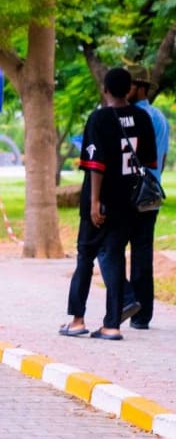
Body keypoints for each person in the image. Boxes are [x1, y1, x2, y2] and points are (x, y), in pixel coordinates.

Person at [62, 67, 157, 340]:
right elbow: (150, 162)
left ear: (105, 89)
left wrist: (94, 202)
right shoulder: (142, 118)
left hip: (100, 202)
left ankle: (77, 320)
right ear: (129, 90)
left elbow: (96, 165)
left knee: (85, 256)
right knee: (115, 258)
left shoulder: (99, 118)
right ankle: (112, 325)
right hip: (127, 203)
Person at [123, 64, 169, 330]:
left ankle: (130, 301)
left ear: (140, 87)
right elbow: (162, 158)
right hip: (152, 191)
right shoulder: (160, 117)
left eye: (129, 85)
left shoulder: (135, 117)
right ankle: (142, 316)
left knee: (113, 248)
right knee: (143, 252)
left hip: (133, 191)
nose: (124, 90)